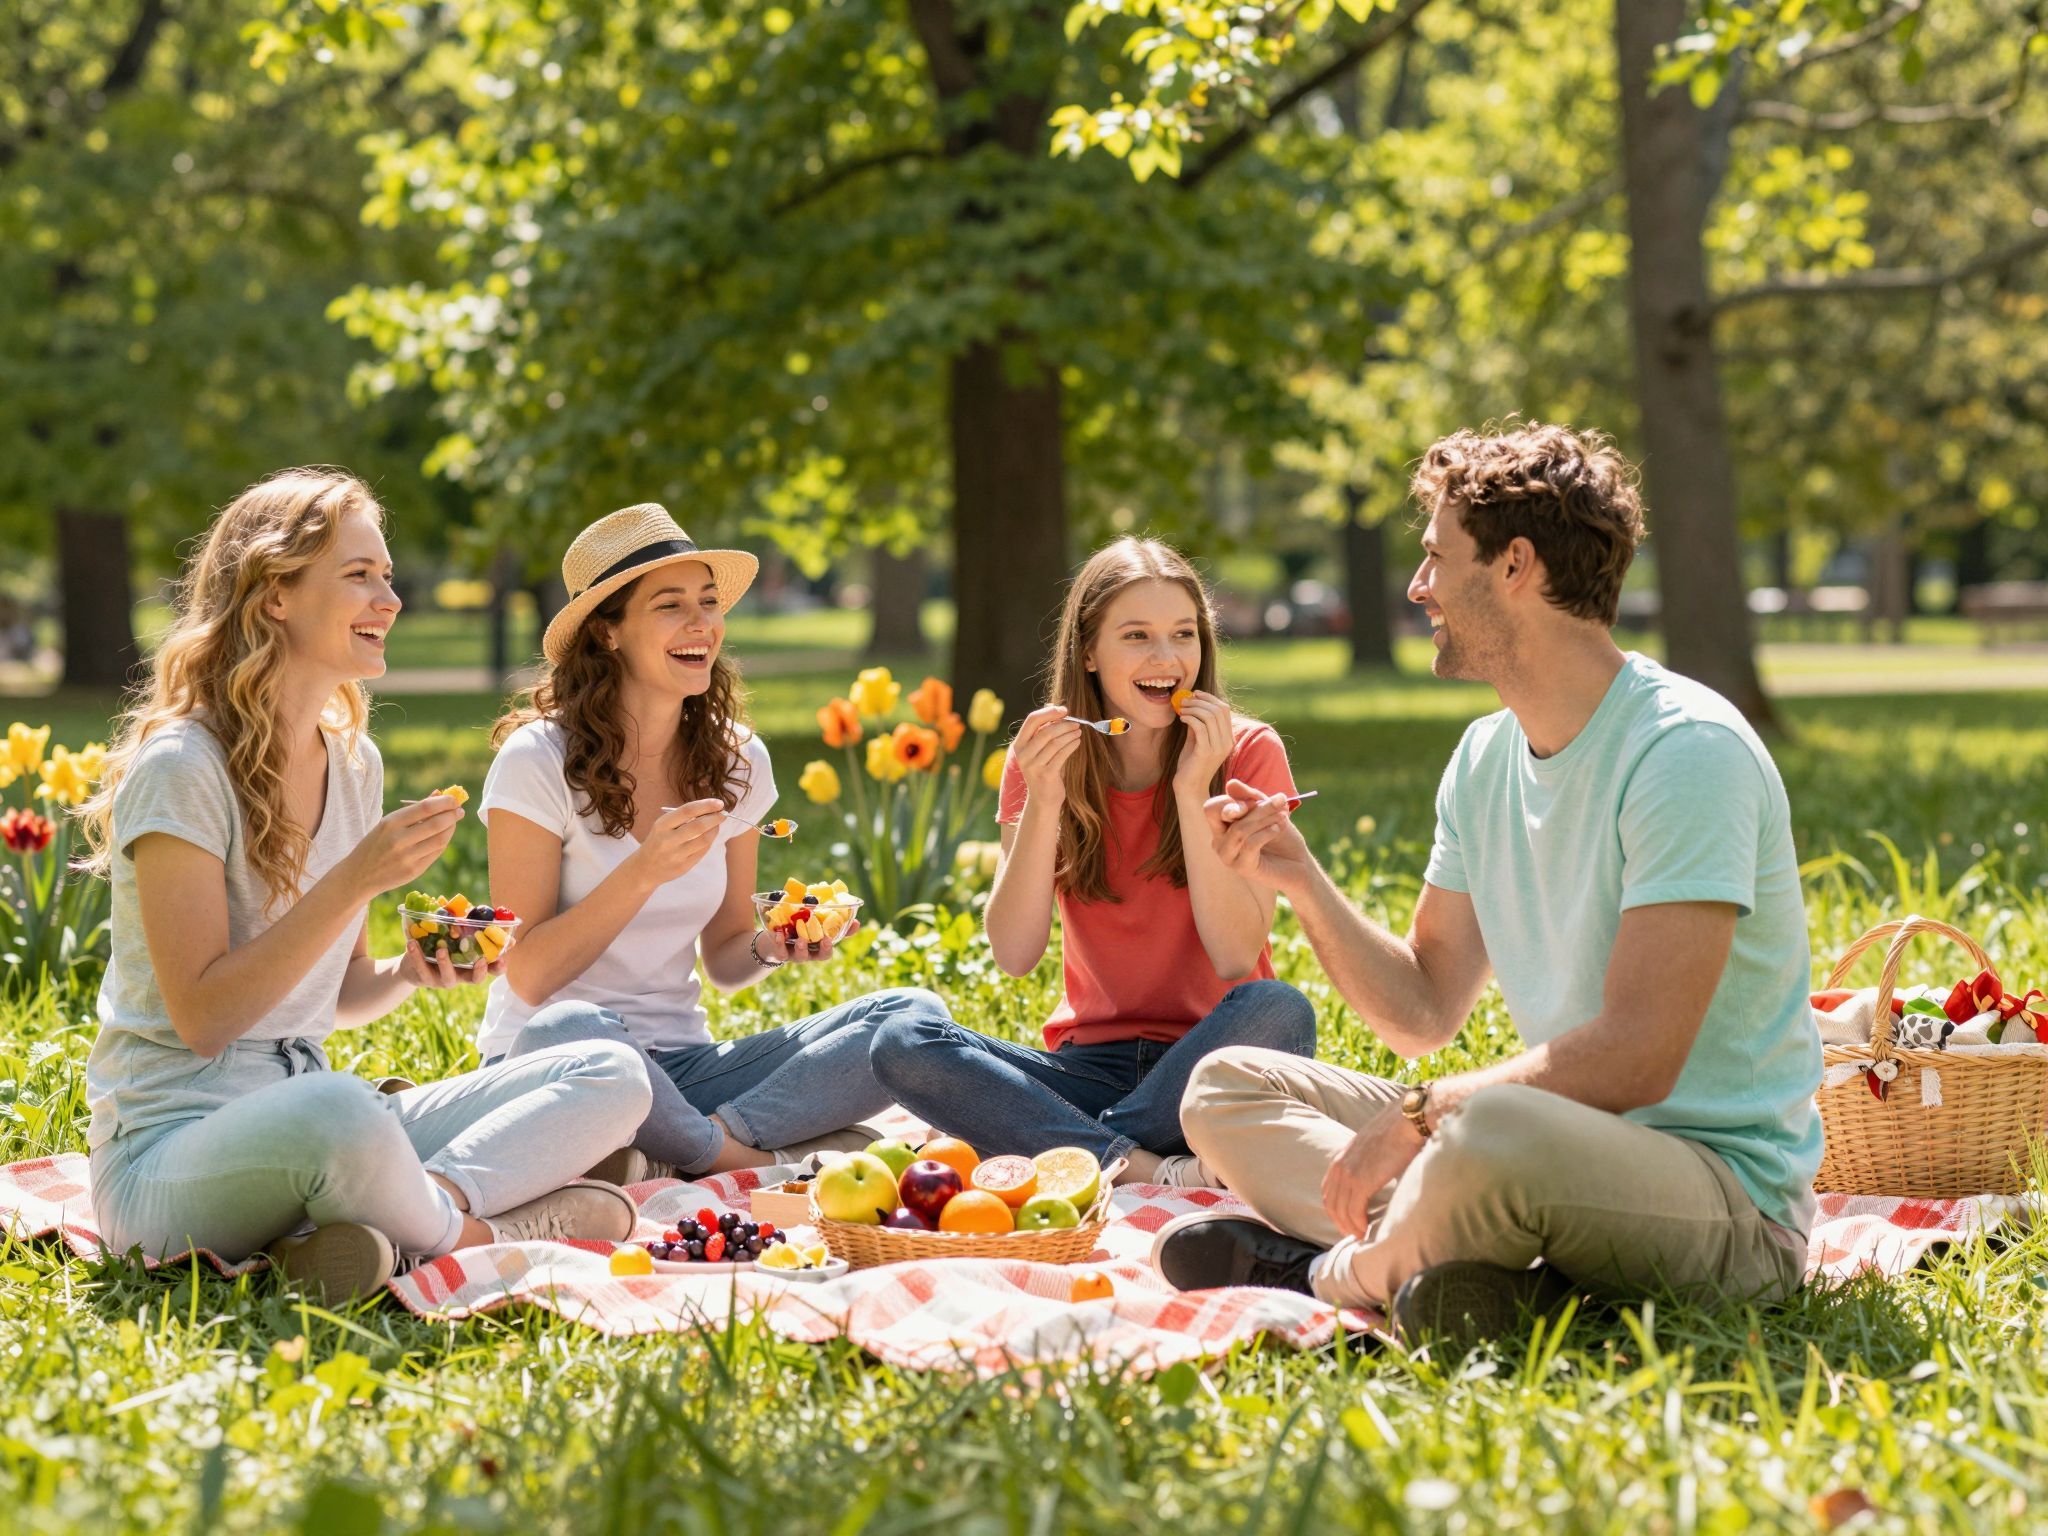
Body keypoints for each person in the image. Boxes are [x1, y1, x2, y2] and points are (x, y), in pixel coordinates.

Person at [1155, 422, 1822, 1346]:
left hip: (1724, 1203)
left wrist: (1424, 1116)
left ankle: (1322, 1273)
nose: (1417, 585)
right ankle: (1484, 1274)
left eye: (1436, 557)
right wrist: (1302, 882)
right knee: (1225, 1087)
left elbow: (1639, 1057)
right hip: (1546, 1156)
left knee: (1489, 1131)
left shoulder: (1685, 752)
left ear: (1515, 565)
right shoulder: (1483, 758)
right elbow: (1425, 1010)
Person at [80, 468, 652, 1302]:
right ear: (276, 594)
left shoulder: (352, 762)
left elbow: (338, 990)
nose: (390, 598)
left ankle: (361, 1229)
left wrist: (410, 971)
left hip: (312, 1118)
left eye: (386, 575)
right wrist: (353, 881)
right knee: (343, 1111)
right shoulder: (183, 767)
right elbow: (205, 1021)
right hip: (167, 1160)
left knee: (612, 1072)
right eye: (359, 575)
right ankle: (490, 1235)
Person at [479, 503, 949, 1179]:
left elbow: (726, 957)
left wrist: (774, 943)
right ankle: (742, 1157)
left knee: (909, 1018)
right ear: (608, 631)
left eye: (708, 601)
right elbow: (526, 974)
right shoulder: (537, 760)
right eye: (670, 605)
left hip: (685, 1067)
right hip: (559, 1063)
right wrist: (642, 872)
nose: (702, 622)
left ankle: (673, 1147)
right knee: (570, 1025)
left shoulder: (738, 761)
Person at [868, 537, 1316, 1186]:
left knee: (1280, 1008)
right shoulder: (1044, 760)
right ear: (1088, 652)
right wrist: (1044, 797)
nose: (1166, 659)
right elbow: (1014, 953)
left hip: (1211, 1059)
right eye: (1136, 636)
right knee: (902, 1040)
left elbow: (1234, 957)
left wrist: (1193, 787)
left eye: (1183, 634)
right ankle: (1139, 1164)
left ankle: (1063, 1140)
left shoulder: (1248, 753)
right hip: (1090, 1066)